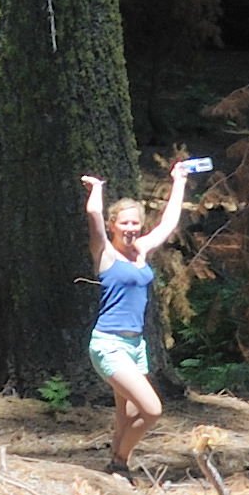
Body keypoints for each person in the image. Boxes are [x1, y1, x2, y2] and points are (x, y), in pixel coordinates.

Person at [80, 157, 207, 473]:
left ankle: (116, 466)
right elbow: (93, 214)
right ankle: (120, 462)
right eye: (124, 223)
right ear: (112, 225)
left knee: (126, 414)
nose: (130, 229)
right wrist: (97, 189)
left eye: (135, 223)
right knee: (151, 410)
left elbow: (168, 224)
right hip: (108, 344)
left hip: (136, 346)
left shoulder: (141, 251)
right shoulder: (105, 253)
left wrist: (179, 180)